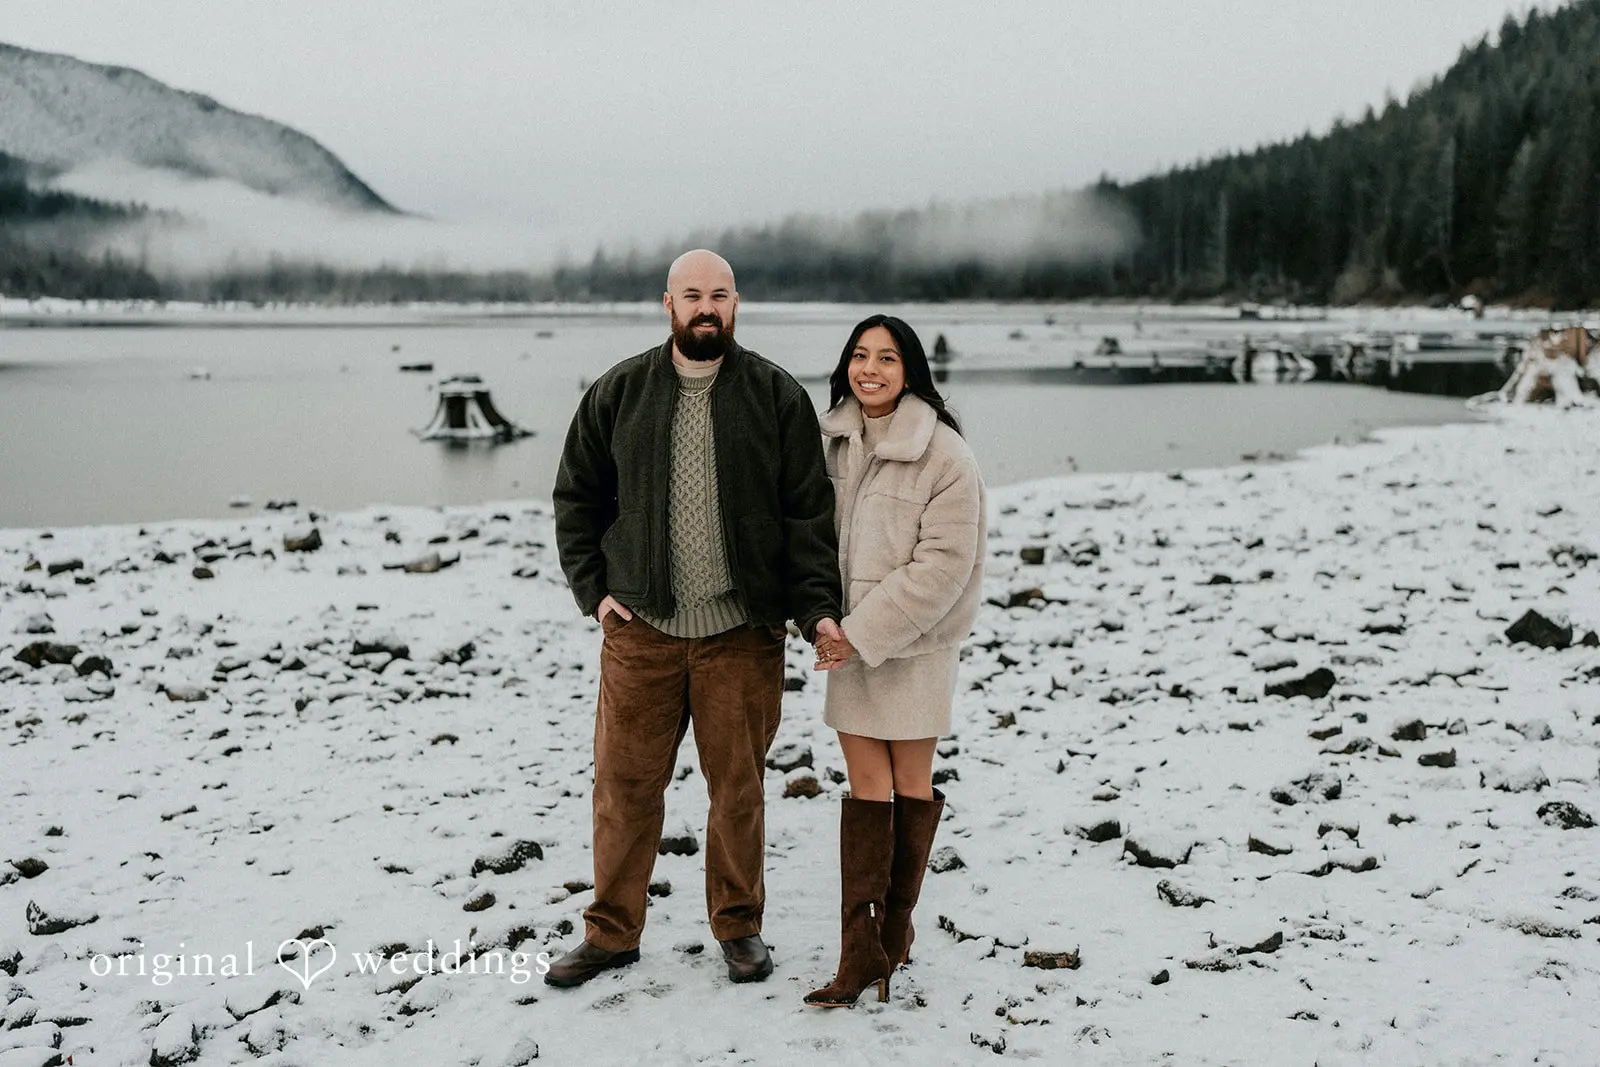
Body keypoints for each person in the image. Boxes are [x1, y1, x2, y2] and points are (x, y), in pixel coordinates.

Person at [548, 249, 845, 989]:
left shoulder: (775, 395)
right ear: (668, 304)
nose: (705, 306)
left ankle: (739, 926)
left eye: (718, 294)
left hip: (741, 633)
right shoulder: (619, 390)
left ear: (735, 304)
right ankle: (612, 931)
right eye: (691, 295)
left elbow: (809, 515)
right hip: (640, 632)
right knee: (623, 789)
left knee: (737, 791)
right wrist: (597, 593)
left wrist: (814, 614)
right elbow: (576, 498)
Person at [804, 314, 987, 1008]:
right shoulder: (833, 441)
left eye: (885, 357)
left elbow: (943, 566)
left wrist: (863, 631)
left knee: (910, 779)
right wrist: (825, 621)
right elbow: (808, 535)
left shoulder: (945, 454)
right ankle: (861, 951)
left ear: (911, 369)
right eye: (859, 355)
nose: (869, 369)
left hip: (914, 645)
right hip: (844, 641)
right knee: (864, 783)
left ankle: (896, 932)